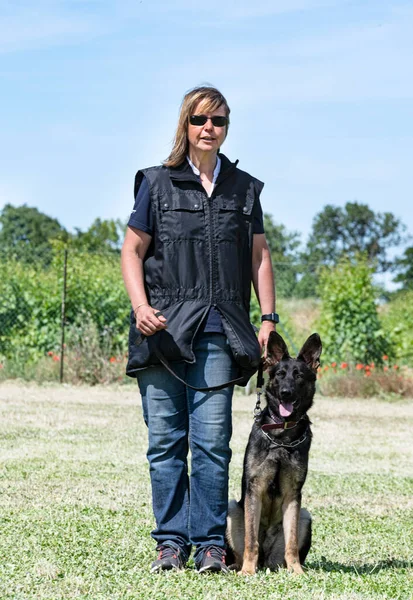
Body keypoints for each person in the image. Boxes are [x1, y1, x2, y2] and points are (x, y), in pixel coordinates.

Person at [121, 85, 276, 573]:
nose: (210, 128)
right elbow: (132, 250)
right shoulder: (156, 182)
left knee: (211, 443)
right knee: (165, 443)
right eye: (201, 119)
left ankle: (210, 544)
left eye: (220, 121)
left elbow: (259, 256)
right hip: (162, 330)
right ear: (185, 124)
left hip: (219, 329)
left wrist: (267, 317)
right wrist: (141, 306)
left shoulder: (244, 187)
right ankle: (170, 543)